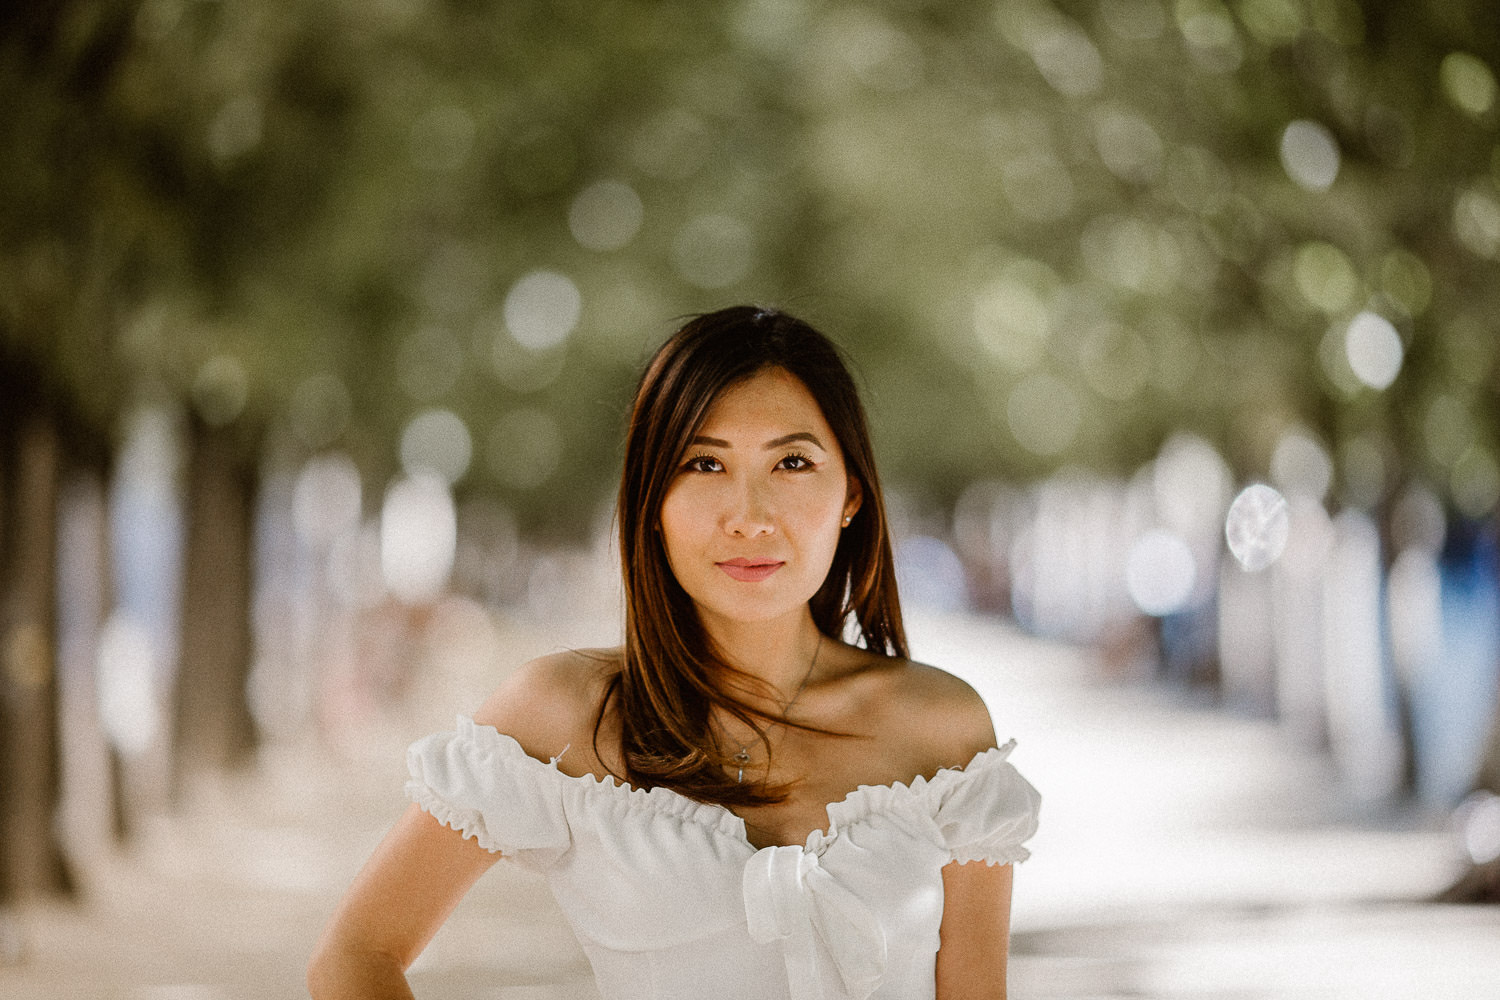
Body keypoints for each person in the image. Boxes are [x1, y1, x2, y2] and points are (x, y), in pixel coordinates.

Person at [307, 306, 1041, 1000]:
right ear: (651, 500)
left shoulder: (944, 733)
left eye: (791, 464)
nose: (749, 518)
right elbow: (355, 957)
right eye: (703, 464)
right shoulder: (564, 715)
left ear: (852, 495)